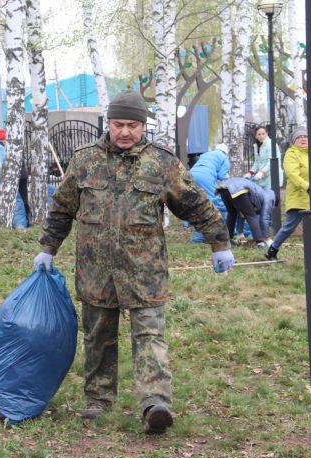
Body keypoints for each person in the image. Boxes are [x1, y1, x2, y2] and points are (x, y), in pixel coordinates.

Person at [32, 89, 233, 435]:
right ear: (108, 123)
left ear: (143, 127)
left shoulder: (161, 163)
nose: (125, 132)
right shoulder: (84, 160)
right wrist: (48, 248)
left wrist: (219, 242)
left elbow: (195, 204)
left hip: (145, 272)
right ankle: (98, 397)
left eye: (133, 125)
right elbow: (62, 209)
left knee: (150, 335)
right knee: (98, 336)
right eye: (118, 124)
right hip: (96, 270)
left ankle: (155, 403)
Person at [265, 127, 309, 261]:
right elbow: (293, 175)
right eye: (299, 137)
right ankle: (272, 250)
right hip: (298, 197)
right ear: (293, 141)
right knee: (289, 227)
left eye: (305, 136)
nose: (303, 139)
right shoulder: (291, 154)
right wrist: (308, 187)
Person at [187, 144, 231, 243]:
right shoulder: (224, 158)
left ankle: (197, 237)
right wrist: (228, 176)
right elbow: (222, 175)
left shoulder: (206, 154)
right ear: (226, 152)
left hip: (191, 175)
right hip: (205, 178)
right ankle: (216, 234)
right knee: (213, 205)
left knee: (198, 205)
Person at [215, 178, 275, 247]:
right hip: (237, 188)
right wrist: (267, 238)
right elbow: (265, 218)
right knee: (251, 215)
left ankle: (227, 239)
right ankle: (260, 242)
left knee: (232, 213)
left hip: (223, 188)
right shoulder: (269, 199)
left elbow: (242, 213)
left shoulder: (259, 194)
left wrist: (240, 233)